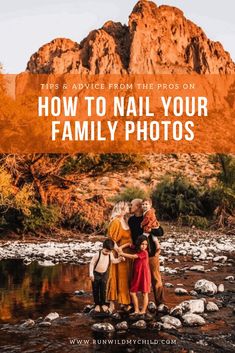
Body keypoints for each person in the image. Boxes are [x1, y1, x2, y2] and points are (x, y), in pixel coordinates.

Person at [128, 198, 165, 306]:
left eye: (132, 205)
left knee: (155, 277)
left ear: (139, 206)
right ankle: (131, 304)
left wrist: (150, 230)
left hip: (151, 253)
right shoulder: (131, 220)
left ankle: (160, 303)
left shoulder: (149, 216)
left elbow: (160, 232)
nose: (130, 207)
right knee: (134, 277)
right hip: (138, 254)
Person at [106, 201, 133, 312]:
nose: (128, 208)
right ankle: (111, 303)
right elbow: (111, 239)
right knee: (115, 276)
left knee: (125, 278)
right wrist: (118, 250)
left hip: (127, 254)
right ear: (121, 209)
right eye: (126, 207)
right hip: (118, 254)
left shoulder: (125, 220)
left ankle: (124, 302)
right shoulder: (116, 221)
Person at [89, 239, 125, 312]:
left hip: (104, 274)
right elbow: (92, 263)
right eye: (106, 251)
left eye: (109, 252)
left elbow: (113, 261)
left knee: (103, 289)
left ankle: (103, 303)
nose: (107, 253)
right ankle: (97, 304)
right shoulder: (97, 254)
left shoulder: (110, 254)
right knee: (96, 289)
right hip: (96, 273)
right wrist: (91, 273)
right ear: (103, 247)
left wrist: (119, 259)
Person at [119, 235, 151, 317]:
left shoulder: (145, 252)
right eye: (142, 244)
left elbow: (133, 256)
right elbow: (129, 244)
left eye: (146, 244)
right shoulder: (137, 249)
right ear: (138, 244)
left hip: (144, 275)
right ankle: (137, 310)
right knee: (132, 292)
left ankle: (143, 311)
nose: (144, 246)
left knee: (144, 293)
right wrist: (120, 248)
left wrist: (122, 253)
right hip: (137, 274)